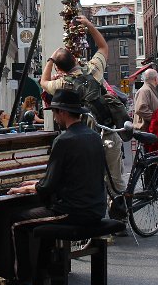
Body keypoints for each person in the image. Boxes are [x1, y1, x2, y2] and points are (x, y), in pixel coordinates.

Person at [8, 88, 106, 285]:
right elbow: (73, 177)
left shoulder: (63, 140)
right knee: (45, 219)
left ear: (62, 112)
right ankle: (42, 277)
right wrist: (36, 184)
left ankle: (23, 282)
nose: (54, 116)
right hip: (96, 208)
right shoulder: (94, 136)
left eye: (54, 112)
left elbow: (48, 186)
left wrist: (27, 188)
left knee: (16, 222)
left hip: (73, 212)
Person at [40, 16, 124, 196]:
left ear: (59, 69)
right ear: (75, 60)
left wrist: (51, 59)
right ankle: (120, 209)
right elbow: (103, 47)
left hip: (85, 140)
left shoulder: (62, 84)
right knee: (115, 182)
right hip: (107, 132)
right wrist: (89, 25)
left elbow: (43, 81)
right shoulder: (93, 70)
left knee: (90, 180)